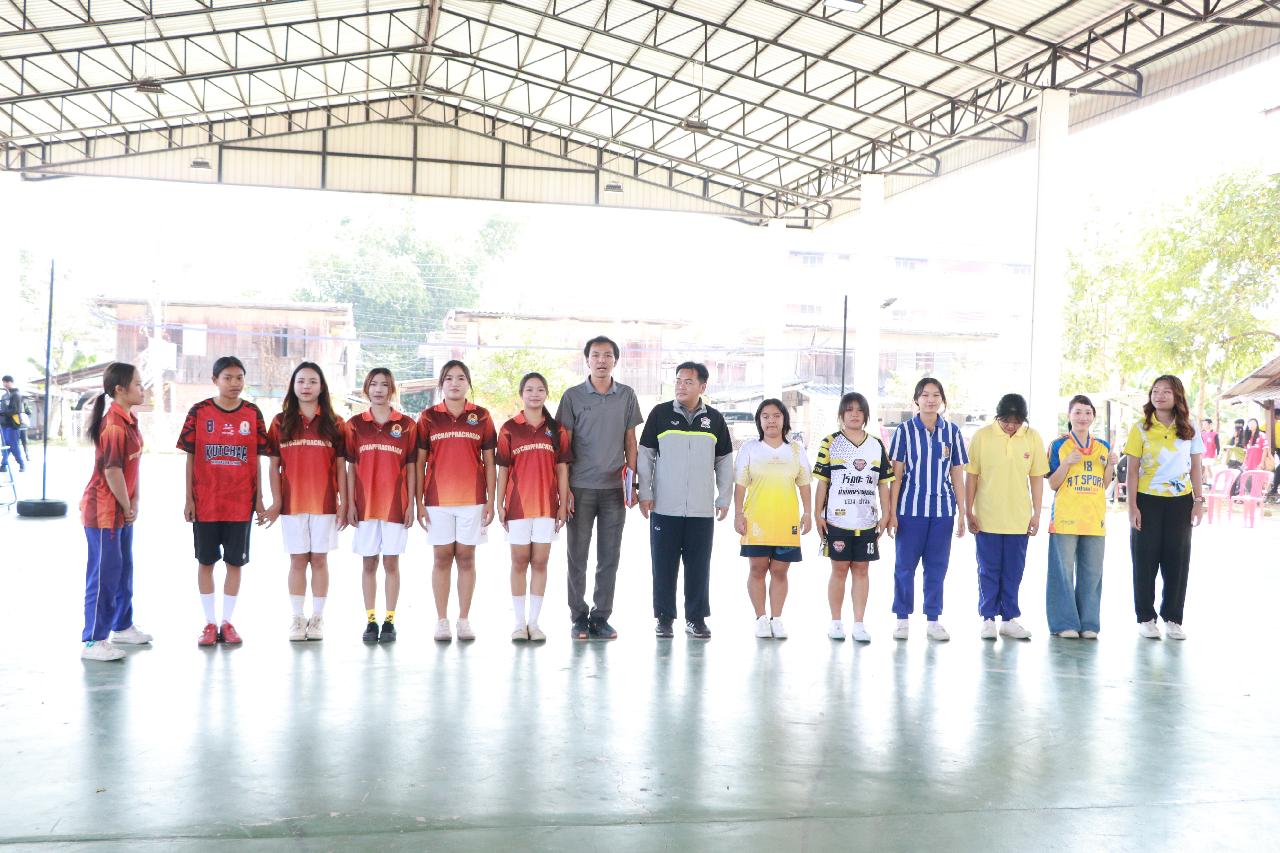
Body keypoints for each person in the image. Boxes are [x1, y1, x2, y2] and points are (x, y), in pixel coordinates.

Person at [178, 356, 271, 647]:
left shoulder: (252, 414)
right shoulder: (199, 412)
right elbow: (190, 458)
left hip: (240, 503)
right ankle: (209, 623)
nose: (234, 383)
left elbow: (256, 459)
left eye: (239, 377)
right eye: (228, 378)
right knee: (205, 562)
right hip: (206, 502)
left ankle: (227, 622)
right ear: (215, 380)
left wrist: (259, 499)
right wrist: (188, 498)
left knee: (235, 563)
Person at [555, 336, 643, 640]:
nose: (601, 360)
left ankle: (601, 616)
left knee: (609, 557)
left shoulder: (627, 395)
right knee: (577, 556)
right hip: (579, 488)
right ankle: (578, 617)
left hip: (614, 491)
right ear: (587, 360)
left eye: (607, 355)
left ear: (615, 361)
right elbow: (563, 446)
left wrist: (632, 484)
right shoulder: (573, 396)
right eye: (596, 355)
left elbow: (630, 441)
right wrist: (564, 490)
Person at [639, 362, 733, 640]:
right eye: (678, 380)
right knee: (663, 565)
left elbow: (724, 461)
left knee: (699, 566)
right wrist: (645, 493)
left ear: (702, 387)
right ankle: (664, 618)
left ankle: (696, 619)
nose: (681, 386)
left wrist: (724, 497)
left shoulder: (714, 419)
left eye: (688, 381)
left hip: (701, 510)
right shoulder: (660, 414)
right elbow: (645, 456)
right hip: (664, 507)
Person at [264, 362, 349, 643]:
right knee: (298, 560)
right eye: (301, 381)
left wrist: (343, 502)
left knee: (320, 560)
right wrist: (277, 501)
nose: (306, 386)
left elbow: (341, 467)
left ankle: (318, 618)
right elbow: (273, 466)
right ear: (293, 386)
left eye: (312, 381)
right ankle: (298, 617)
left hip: (325, 504)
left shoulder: (335, 423)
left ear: (321, 387)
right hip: (292, 504)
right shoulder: (280, 422)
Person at [416, 360, 496, 642]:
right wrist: (418, 501)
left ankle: (463, 619)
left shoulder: (482, 416)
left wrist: (490, 500)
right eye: (449, 378)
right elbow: (420, 462)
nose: (454, 383)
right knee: (441, 558)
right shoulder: (428, 418)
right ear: (441, 384)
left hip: (472, 499)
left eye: (461, 378)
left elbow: (489, 462)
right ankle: (441, 620)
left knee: (466, 557)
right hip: (437, 500)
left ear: (468, 384)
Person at [885, 377, 968, 642]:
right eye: (925, 395)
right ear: (916, 400)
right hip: (910, 510)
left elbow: (957, 474)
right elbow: (896, 476)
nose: (930, 400)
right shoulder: (904, 431)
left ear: (942, 400)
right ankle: (902, 619)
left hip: (943, 511)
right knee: (904, 566)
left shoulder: (952, 432)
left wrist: (962, 512)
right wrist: (891, 513)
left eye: (935, 395)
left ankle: (934, 619)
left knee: (937, 567)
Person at [79, 363, 152, 661]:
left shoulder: (129, 420)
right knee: (104, 575)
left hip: (122, 510)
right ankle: (93, 640)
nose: (142, 388)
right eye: (137, 384)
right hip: (104, 513)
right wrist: (125, 504)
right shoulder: (113, 425)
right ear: (120, 389)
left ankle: (122, 626)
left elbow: (132, 467)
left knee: (123, 570)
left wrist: (135, 501)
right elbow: (112, 471)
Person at [1125, 374, 1204, 641]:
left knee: (1177, 561)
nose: (1159, 395)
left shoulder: (1190, 427)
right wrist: (1132, 506)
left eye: (1166, 391)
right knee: (1144, 560)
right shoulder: (1140, 428)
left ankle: (1173, 618)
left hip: (1180, 501)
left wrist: (1198, 501)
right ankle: (1146, 618)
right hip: (1147, 500)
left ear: (1177, 396)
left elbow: (1196, 467)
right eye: (1155, 391)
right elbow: (1132, 471)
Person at [496, 373, 572, 643]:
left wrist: (562, 503)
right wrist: (499, 503)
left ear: (546, 394)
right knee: (519, 562)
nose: (534, 394)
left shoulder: (557, 430)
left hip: (547, 507)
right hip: (517, 507)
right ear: (521, 394)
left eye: (540, 390)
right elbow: (503, 469)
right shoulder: (509, 428)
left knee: (540, 562)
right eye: (529, 390)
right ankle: (518, 624)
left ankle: (534, 623)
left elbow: (562, 469)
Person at [965, 393, 1048, 641]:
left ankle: (1009, 619)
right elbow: (972, 476)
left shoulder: (1032, 437)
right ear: (997, 417)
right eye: (1006, 421)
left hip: (1019, 518)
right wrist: (968, 511)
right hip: (987, 517)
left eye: (1017, 422)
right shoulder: (982, 437)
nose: (1011, 426)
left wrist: (1036, 514)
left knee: (1013, 571)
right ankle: (988, 619)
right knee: (988, 569)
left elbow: (1036, 478)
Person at [345, 368, 417, 643]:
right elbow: (351, 468)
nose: (378, 389)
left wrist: (411, 504)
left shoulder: (407, 425)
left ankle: (389, 620)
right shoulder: (354, 425)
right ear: (366, 389)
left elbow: (412, 467)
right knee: (368, 563)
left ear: (392, 389)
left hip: (395, 506)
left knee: (391, 563)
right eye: (373, 384)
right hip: (365, 506)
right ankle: (371, 620)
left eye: (384, 384)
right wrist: (350, 503)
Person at [814, 392, 891, 643]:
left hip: (867, 520)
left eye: (859, 410)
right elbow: (823, 482)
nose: (854, 414)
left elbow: (883, 483)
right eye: (849, 410)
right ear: (841, 415)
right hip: (837, 520)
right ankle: (836, 622)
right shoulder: (830, 442)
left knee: (862, 569)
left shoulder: (876, 444)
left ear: (866, 415)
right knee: (838, 570)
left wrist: (886, 513)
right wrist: (817, 514)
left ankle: (859, 623)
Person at [733, 398, 812, 640]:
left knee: (780, 570)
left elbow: (804, 484)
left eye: (776, 415)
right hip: (757, 520)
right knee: (757, 569)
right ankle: (760, 618)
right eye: (765, 416)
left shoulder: (796, 450)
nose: (771, 421)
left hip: (786, 520)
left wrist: (807, 513)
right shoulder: (749, 449)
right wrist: (738, 514)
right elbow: (740, 485)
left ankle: (776, 618)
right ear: (759, 421)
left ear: (784, 419)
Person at [1045, 395, 1115, 639]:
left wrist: (1110, 466)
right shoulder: (1058, 445)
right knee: (1062, 572)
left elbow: (1103, 484)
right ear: (1069, 415)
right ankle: (1064, 623)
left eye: (1087, 412)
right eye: (1077, 412)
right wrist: (1066, 463)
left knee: (1093, 573)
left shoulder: (1103, 446)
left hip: (1094, 518)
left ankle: (1089, 623)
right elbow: (1053, 484)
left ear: (1093, 416)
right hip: (1065, 517)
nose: (1082, 417)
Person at [1, 375, 25, 473]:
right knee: (5, 446)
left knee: (13, 445)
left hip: (13, 424)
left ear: (12, 382)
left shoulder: (16, 395)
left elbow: (15, 410)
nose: (5, 384)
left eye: (7, 382)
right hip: (4, 424)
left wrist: (2, 412)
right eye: (4, 382)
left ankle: (21, 464)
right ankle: (4, 465)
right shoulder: (4, 396)